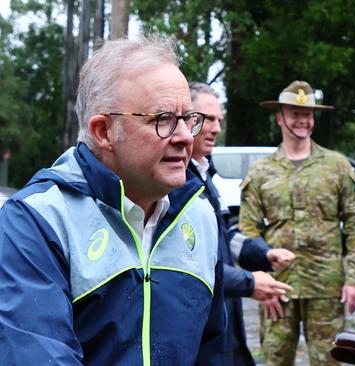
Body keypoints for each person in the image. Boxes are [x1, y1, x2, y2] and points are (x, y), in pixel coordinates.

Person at [0, 36, 227, 365]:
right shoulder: (37, 221)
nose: (183, 137)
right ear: (104, 131)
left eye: (188, 118)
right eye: (162, 119)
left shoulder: (200, 216)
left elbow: (213, 351)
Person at [239, 80, 355, 366]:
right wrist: (261, 283)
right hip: (278, 287)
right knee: (275, 360)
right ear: (279, 117)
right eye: (295, 113)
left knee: (329, 360)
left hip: (326, 285)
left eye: (308, 114)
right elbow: (248, 232)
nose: (303, 120)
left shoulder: (336, 166)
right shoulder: (262, 171)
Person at [188, 81, 296, 365]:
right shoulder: (174, 181)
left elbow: (228, 234)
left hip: (223, 314)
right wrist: (248, 282)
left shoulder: (204, 174)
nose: (216, 129)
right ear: (185, 118)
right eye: (207, 119)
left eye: (219, 120)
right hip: (196, 325)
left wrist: (263, 254)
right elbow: (186, 264)